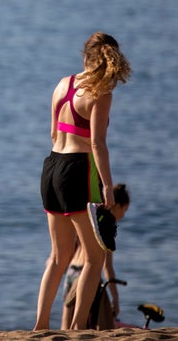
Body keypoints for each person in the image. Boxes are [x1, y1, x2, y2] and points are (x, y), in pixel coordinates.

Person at [34, 31, 131, 330]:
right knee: (94, 256)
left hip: (51, 166)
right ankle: (76, 328)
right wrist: (106, 187)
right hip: (78, 168)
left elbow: (53, 132)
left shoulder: (63, 83)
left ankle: (39, 326)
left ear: (85, 55)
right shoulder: (101, 93)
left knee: (58, 255)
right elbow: (98, 144)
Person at [61, 184, 131, 329]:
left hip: (71, 272)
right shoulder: (106, 228)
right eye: (125, 210)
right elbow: (108, 267)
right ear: (117, 205)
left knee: (66, 324)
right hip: (86, 273)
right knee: (88, 323)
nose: (124, 215)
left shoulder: (91, 220)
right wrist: (116, 299)